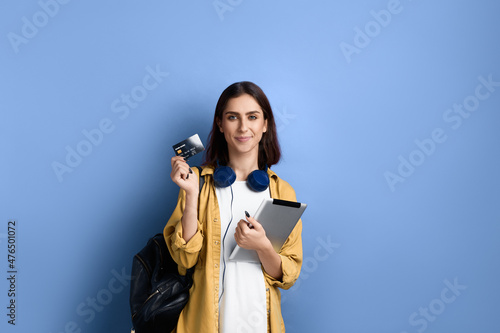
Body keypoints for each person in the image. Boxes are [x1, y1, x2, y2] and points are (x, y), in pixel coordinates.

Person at [164, 81, 303, 332]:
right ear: (220, 124)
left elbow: (288, 275)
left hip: (260, 321)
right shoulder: (198, 183)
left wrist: (262, 246)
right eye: (232, 117)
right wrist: (192, 195)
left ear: (265, 125)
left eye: (252, 117)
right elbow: (184, 259)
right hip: (205, 323)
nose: (243, 127)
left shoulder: (282, 191)